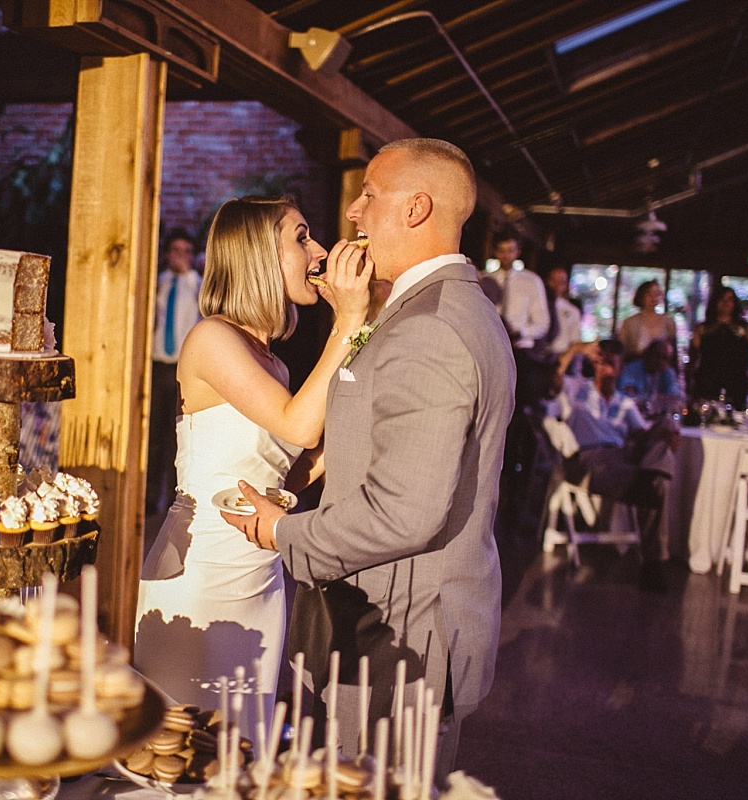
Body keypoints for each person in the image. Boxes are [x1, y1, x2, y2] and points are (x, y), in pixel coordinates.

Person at [222, 139, 515, 779]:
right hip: (404, 620)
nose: (353, 213)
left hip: (402, 635)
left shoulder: (430, 327)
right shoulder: (447, 308)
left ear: (416, 208)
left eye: (369, 196)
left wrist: (282, 531)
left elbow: (405, 511)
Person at [133, 195, 371, 724]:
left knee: (244, 744)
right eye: (302, 236)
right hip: (201, 573)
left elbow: (287, 473)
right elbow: (299, 425)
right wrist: (348, 322)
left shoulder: (276, 366)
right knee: (184, 745)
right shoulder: (211, 339)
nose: (321, 250)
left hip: (259, 573)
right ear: (259, 254)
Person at [547, 339, 679, 592]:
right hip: (590, 459)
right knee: (657, 485)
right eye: (600, 362)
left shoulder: (625, 402)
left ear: (620, 369)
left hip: (622, 457)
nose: (604, 368)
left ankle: (649, 476)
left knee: (666, 427)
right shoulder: (577, 390)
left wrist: (666, 441)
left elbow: (643, 435)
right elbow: (554, 377)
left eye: (611, 364)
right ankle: (654, 564)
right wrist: (575, 349)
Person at [146, 228, 203, 515]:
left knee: (177, 435)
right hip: (156, 366)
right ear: (167, 254)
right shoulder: (157, 284)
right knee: (153, 432)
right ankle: (149, 496)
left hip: (183, 369)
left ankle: (173, 496)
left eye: (187, 251)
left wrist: (190, 276)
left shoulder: (198, 286)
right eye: (175, 250)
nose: (180, 257)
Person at [485, 234, 549, 407]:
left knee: (519, 405)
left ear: (517, 252)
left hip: (520, 352)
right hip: (492, 349)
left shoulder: (531, 281)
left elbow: (542, 323)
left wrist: (521, 331)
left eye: (510, 250)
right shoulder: (485, 280)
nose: (506, 256)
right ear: (495, 252)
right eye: (502, 251)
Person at [687, 286, 748, 410]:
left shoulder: (746, 329)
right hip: (707, 383)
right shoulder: (702, 329)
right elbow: (693, 360)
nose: (725, 303)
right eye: (722, 299)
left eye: (730, 299)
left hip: (736, 384)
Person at [618, 338, 683, 413]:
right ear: (647, 354)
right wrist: (658, 399)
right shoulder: (630, 370)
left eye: (666, 358)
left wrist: (648, 401)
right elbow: (624, 399)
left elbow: (675, 398)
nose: (661, 361)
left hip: (658, 416)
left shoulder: (668, 373)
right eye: (657, 356)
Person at [618, 279, 676, 361]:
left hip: (661, 369)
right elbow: (622, 352)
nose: (653, 297)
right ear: (641, 296)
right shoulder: (629, 323)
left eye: (657, 293)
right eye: (649, 294)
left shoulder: (668, 322)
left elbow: (673, 352)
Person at [543, 264, 582, 359]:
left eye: (561, 282)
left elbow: (575, 340)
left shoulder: (572, 311)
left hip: (562, 356)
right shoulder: (539, 306)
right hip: (540, 355)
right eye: (553, 281)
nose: (557, 285)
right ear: (547, 281)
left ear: (566, 285)